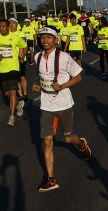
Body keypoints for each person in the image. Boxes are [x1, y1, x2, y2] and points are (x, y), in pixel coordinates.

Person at [32, 27, 92, 192]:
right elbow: (42, 76)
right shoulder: (37, 57)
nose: (45, 40)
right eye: (42, 37)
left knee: (67, 139)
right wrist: (38, 85)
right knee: (47, 141)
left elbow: (79, 76)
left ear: (56, 40)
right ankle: (51, 179)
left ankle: (81, 144)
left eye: (49, 37)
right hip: (46, 106)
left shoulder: (64, 57)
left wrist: (63, 85)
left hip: (64, 104)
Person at [0, 19, 27, 126]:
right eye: (0, 27)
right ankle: (18, 103)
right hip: (1, 69)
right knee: (7, 93)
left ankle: (12, 116)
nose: (2, 28)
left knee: (13, 92)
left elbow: (24, 46)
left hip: (13, 68)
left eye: (4, 26)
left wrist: (22, 57)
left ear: (8, 27)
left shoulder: (15, 37)